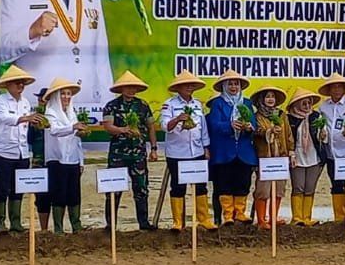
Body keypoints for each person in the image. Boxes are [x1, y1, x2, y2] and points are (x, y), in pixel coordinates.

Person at [159, 69, 216, 232]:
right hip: (177, 153)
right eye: (185, 85)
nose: (189, 87)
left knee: (200, 185)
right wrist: (177, 119)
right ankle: (178, 221)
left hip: (197, 151)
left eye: (191, 85)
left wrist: (206, 147)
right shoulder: (169, 104)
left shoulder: (197, 104)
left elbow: (202, 128)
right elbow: (165, 126)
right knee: (178, 187)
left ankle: (204, 219)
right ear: (178, 88)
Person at [101, 71, 158, 231]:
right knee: (114, 189)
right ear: (121, 88)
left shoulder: (143, 105)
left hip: (138, 154)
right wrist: (123, 129)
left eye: (133, 87)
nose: (131, 90)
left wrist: (153, 148)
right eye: (127, 87)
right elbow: (108, 126)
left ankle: (144, 223)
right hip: (118, 154)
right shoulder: (111, 106)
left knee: (141, 188)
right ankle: (110, 225)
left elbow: (151, 127)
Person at [0, 65, 40, 235]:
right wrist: (26, 118)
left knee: (18, 187)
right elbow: (6, 119)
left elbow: (25, 125)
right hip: (3, 151)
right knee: (3, 187)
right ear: (8, 85)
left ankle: (16, 221)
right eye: (17, 83)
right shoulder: (1, 101)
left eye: (22, 83)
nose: (20, 86)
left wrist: (33, 121)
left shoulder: (25, 102)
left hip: (22, 151)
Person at [207, 70, 257, 224]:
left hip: (244, 150)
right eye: (230, 84)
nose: (233, 87)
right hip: (224, 151)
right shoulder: (218, 103)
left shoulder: (247, 103)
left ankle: (240, 212)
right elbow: (213, 124)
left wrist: (249, 127)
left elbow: (254, 123)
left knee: (243, 181)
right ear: (224, 86)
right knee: (224, 182)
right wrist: (230, 125)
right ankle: (227, 215)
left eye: (236, 84)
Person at [43, 77, 88, 233]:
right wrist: (72, 126)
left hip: (73, 159)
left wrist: (81, 161)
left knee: (74, 193)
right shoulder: (50, 112)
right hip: (57, 159)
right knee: (58, 193)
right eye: (63, 94)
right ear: (56, 96)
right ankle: (58, 227)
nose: (66, 97)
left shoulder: (71, 113)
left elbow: (77, 139)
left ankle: (76, 224)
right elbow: (54, 130)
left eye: (69, 94)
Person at [317, 73, 345, 222]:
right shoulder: (323, 106)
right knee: (336, 183)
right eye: (333, 87)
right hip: (331, 152)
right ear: (329, 89)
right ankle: (339, 217)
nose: (336, 90)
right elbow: (321, 124)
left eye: (339, 87)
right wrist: (321, 132)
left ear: (344, 89)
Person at [251, 86, 294, 229]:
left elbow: (288, 135)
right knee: (263, 189)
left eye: (272, 97)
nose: (270, 99)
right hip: (264, 157)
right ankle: (262, 220)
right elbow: (255, 132)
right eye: (267, 97)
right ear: (261, 100)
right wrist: (268, 131)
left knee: (279, 188)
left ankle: (274, 217)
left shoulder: (282, 115)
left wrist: (291, 151)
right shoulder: (257, 116)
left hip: (281, 156)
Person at [286, 89, 326, 226]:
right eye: (303, 103)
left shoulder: (316, 116)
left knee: (310, 187)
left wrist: (322, 136)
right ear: (296, 104)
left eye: (309, 103)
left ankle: (307, 217)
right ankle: (297, 217)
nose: (307, 105)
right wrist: (290, 153)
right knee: (298, 187)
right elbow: (288, 138)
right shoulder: (289, 118)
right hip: (296, 156)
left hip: (313, 156)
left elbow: (323, 136)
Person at [26, 87, 51, 232]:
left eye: (45, 98)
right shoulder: (34, 117)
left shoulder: (57, 115)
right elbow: (29, 140)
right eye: (40, 99)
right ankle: (44, 229)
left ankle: (58, 228)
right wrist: (32, 125)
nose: (41, 101)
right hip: (38, 160)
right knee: (41, 196)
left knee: (56, 193)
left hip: (55, 160)